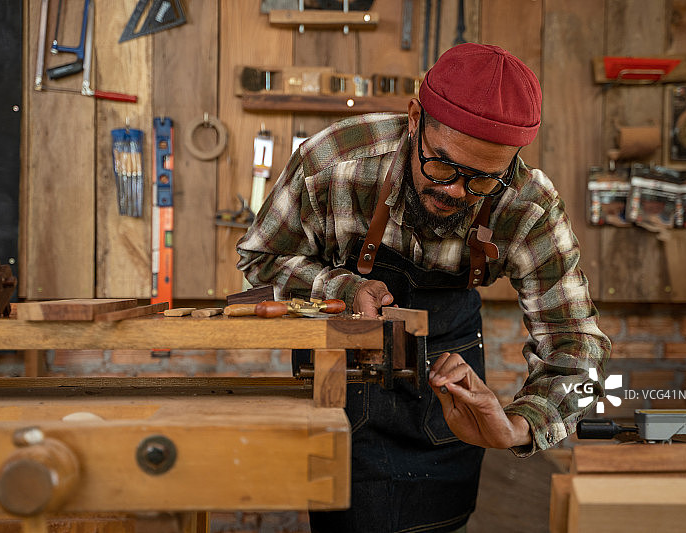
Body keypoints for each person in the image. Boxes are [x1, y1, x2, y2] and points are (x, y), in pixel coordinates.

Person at [237, 43, 611, 533]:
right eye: (443, 165)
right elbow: (260, 258)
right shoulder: (333, 164)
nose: (456, 191)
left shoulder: (528, 208)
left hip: (446, 417)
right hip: (345, 401)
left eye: (482, 180)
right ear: (415, 118)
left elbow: (579, 346)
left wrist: (521, 424)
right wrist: (340, 287)